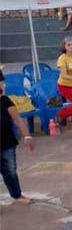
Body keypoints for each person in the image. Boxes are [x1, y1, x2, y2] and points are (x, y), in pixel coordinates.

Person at [1, 70, 34, 204]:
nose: (2, 86)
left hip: (6, 142)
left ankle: (17, 195)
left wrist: (27, 137)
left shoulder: (5, 101)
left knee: (9, 170)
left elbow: (18, 120)